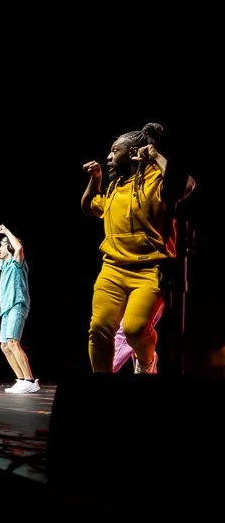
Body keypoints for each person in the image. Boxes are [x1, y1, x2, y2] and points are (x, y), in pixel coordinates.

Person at [81, 122, 193, 373]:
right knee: (98, 330)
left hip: (150, 270)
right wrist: (95, 179)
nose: (108, 157)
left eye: (114, 151)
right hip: (112, 269)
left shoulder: (156, 179)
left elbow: (185, 186)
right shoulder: (115, 186)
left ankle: (147, 362)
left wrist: (154, 155)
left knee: (135, 328)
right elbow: (89, 206)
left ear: (132, 152)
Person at [0, 224, 39, 393]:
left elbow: (19, 247)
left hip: (17, 304)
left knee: (13, 342)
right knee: (5, 346)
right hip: (6, 309)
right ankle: (21, 379)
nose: (0, 248)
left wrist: (6, 231)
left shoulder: (17, 262)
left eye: (2, 245)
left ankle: (30, 380)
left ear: (9, 247)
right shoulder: (5, 264)